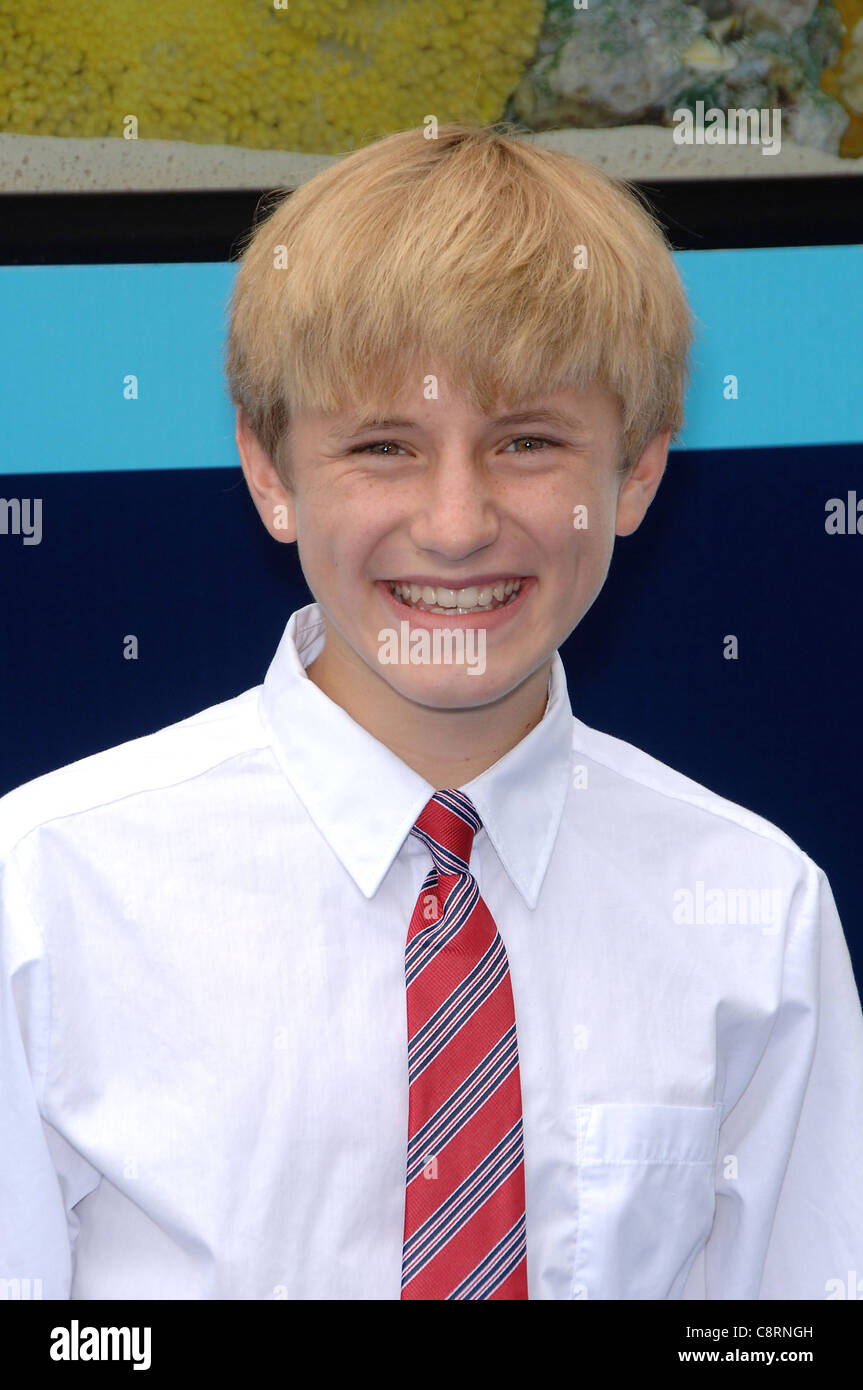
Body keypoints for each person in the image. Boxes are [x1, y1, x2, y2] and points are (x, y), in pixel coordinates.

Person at [1, 123, 861, 1301]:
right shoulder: (45, 896)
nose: (455, 523)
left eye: (525, 443)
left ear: (638, 474)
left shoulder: (755, 913)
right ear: (269, 474)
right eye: (383, 446)